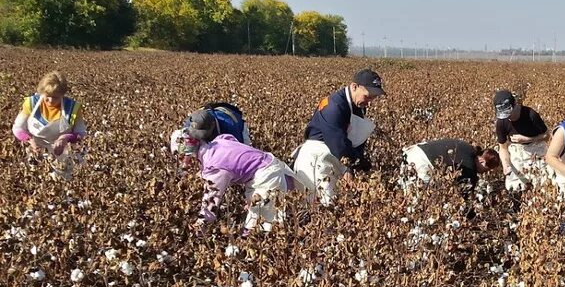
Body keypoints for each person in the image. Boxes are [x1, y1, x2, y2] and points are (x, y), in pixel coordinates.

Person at [171, 115, 298, 235]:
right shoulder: (219, 141)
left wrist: (199, 227)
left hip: (267, 177)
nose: (183, 163)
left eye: (182, 158)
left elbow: (211, 203)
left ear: (189, 154)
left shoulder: (214, 168)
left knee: (259, 229)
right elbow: (232, 144)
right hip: (269, 165)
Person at [294, 69, 384, 205]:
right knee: (324, 206)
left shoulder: (358, 106)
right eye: (367, 96)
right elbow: (337, 142)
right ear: (354, 87)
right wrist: (351, 167)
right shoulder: (333, 106)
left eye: (373, 98)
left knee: (337, 205)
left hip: (334, 158)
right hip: (316, 159)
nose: (370, 102)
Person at [12, 71, 87, 178]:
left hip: (63, 154)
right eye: (48, 96)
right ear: (42, 92)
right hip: (35, 150)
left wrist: (66, 138)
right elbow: (17, 128)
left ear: (63, 95)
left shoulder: (72, 107)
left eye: (55, 97)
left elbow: (81, 133)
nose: (51, 100)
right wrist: (29, 140)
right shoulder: (31, 103)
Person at [493, 89, 550, 191]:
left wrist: (527, 139)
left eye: (509, 114)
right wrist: (506, 165)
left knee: (541, 183)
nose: (508, 117)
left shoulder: (531, 115)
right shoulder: (501, 122)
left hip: (537, 149)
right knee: (515, 186)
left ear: (515, 104)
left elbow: (547, 136)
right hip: (517, 151)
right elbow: (503, 147)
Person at [401, 139, 502, 196]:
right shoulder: (469, 166)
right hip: (421, 162)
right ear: (482, 161)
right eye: (487, 170)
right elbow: (464, 193)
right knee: (417, 198)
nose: (484, 173)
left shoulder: (467, 148)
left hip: (413, 151)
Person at [182, 102, 251, 145]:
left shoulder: (231, 127)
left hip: (237, 124)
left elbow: (239, 148)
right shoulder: (191, 120)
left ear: (213, 125)